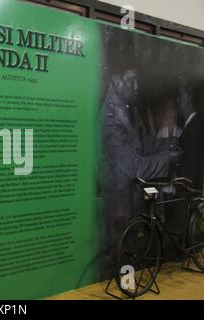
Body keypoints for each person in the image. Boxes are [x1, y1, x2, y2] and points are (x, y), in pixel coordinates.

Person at [99, 67, 182, 278]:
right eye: (132, 80)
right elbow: (134, 166)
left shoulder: (125, 110)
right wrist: (168, 157)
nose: (137, 86)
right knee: (122, 262)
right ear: (116, 79)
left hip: (130, 203)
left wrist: (166, 143)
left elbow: (141, 143)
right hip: (119, 208)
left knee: (132, 258)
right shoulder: (112, 120)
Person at [175, 83, 204, 189]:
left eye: (180, 95)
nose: (177, 100)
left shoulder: (194, 128)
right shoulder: (193, 125)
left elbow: (192, 170)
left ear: (188, 98)